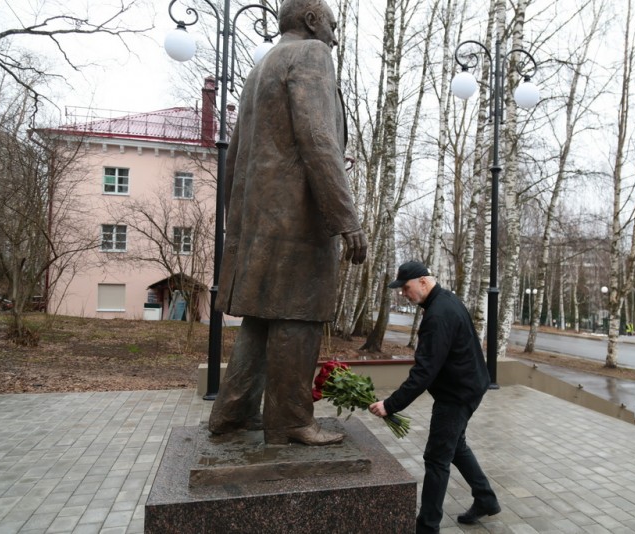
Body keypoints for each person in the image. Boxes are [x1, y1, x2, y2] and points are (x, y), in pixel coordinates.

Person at [208, 0, 368, 446]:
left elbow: (236, 156)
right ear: (313, 21)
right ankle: (291, 421)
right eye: (332, 25)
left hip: (259, 218)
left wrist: (237, 223)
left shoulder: (261, 67)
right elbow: (318, 139)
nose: (335, 35)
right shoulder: (312, 55)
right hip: (298, 218)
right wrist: (344, 216)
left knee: (262, 318)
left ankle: (232, 413)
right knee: (299, 315)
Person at [369, 261, 500, 534]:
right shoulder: (445, 301)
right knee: (456, 447)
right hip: (469, 386)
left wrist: (390, 405)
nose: (404, 294)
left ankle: (427, 527)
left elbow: (424, 372)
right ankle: (486, 499)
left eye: (406, 288)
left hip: (457, 394)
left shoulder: (438, 315)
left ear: (424, 283)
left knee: (436, 458)